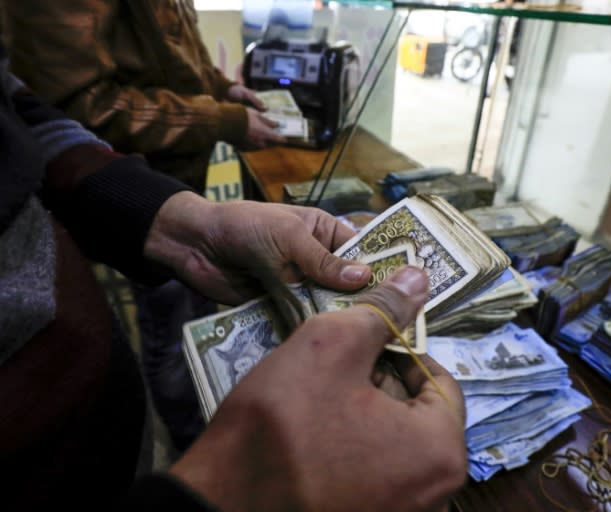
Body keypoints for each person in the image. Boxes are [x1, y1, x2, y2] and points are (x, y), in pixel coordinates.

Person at [0, 41, 467, 510]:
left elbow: (21, 118)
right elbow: (77, 104)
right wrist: (229, 491)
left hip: (106, 443)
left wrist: (181, 221)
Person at [2, 0, 288, 451]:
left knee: (191, 315)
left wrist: (222, 90)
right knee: (174, 334)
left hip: (163, 187)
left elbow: (175, 54)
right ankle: (193, 440)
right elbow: (79, 105)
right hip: (135, 184)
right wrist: (222, 120)